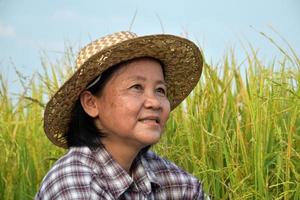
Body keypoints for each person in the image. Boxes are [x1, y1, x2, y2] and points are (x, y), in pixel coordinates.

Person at [36, 31, 205, 199]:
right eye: (136, 87)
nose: (154, 102)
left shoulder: (176, 182)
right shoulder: (75, 184)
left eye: (160, 90)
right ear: (91, 103)